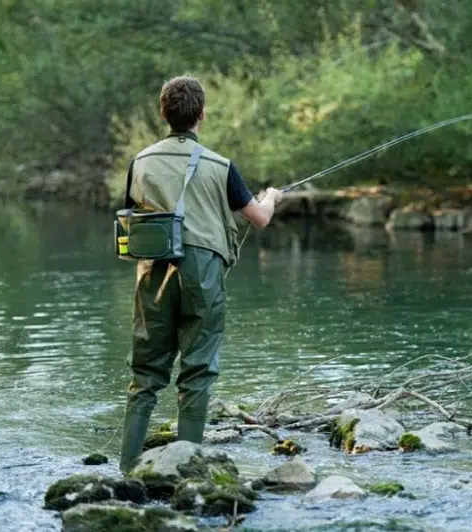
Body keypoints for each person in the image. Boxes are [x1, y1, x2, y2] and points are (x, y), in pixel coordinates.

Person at [118, 75, 283, 473]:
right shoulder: (220, 165)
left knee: (145, 374)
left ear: (163, 113)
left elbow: (131, 219)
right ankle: (187, 471)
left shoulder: (140, 161)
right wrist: (273, 196)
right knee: (197, 369)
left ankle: (125, 471)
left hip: (153, 273)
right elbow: (258, 219)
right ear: (202, 115)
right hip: (203, 271)